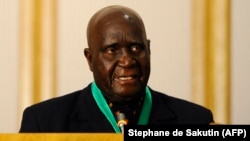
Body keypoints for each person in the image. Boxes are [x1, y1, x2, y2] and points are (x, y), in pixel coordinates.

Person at [19, 5, 214, 133]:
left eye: (136, 47)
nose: (127, 61)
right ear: (90, 59)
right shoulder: (43, 124)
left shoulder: (196, 120)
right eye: (112, 50)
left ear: (149, 49)